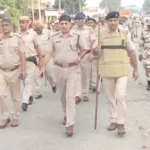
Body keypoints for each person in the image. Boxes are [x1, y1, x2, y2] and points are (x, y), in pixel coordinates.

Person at [40, 15, 87, 137]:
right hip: (59, 69)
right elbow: (49, 53)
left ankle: (70, 124)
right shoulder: (53, 37)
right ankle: (66, 113)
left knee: (70, 96)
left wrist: (79, 57)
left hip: (73, 69)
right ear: (59, 25)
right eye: (62, 23)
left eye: (66, 23)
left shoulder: (77, 37)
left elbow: (84, 49)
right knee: (62, 96)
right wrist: (43, 67)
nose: (64, 26)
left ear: (71, 24)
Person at [98, 11, 139, 135]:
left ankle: (121, 123)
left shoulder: (125, 34)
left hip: (122, 69)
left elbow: (132, 51)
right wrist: (94, 51)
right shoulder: (100, 34)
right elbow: (95, 52)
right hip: (106, 69)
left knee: (120, 95)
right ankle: (113, 120)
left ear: (118, 21)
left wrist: (136, 69)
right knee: (110, 97)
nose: (112, 23)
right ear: (107, 21)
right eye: (110, 20)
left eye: (115, 20)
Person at [0, 18, 26, 128]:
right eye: (2, 25)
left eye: (6, 25)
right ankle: (5, 117)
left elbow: (23, 55)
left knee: (15, 96)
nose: (4, 27)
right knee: (1, 94)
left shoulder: (18, 38)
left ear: (11, 26)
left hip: (15, 71)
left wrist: (23, 70)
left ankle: (15, 117)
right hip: (1, 71)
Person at [18, 16, 42, 111]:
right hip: (21, 62)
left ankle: (25, 101)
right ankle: (30, 95)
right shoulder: (17, 35)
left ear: (28, 23)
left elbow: (37, 47)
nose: (21, 24)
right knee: (24, 81)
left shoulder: (33, 34)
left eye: (24, 22)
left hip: (31, 60)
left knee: (28, 81)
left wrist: (40, 59)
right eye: (20, 22)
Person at [72, 12, 96, 103]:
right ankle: (77, 94)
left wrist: (92, 54)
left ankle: (85, 93)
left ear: (84, 20)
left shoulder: (89, 30)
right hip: (76, 55)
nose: (79, 22)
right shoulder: (73, 30)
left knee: (85, 75)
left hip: (86, 55)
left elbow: (92, 42)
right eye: (77, 20)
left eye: (81, 20)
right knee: (76, 75)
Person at [34, 22, 57, 99]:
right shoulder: (33, 35)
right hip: (37, 57)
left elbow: (54, 42)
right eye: (36, 30)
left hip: (47, 57)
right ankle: (38, 93)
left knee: (49, 74)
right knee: (37, 75)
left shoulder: (48, 33)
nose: (38, 31)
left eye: (39, 29)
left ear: (42, 28)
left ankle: (53, 84)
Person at [87, 17, 98, 92]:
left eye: (91, 22)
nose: (90, 24)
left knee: (94, 69)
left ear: (94, 23)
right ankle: (89, 84)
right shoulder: (85, 31)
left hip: (95, 51)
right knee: (87, 70)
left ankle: (94, 84)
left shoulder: (98, 31)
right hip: (86, 52)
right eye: (89, 22)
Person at [139, 20, 150, 90]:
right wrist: (140, 53)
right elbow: (141, 44)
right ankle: (149, 83)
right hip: (147, 52)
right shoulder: (144, 32)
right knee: (148, 68)